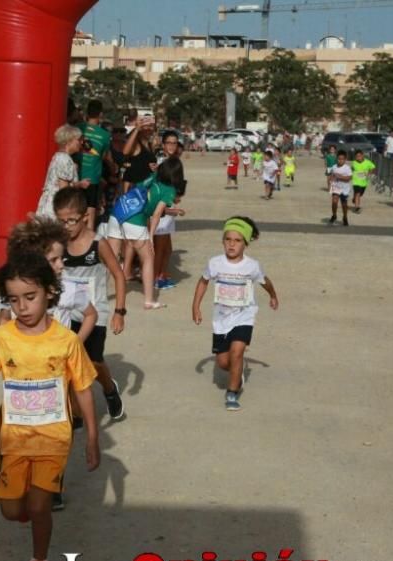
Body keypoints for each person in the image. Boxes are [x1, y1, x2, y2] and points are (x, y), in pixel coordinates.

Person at [0, 251, 100, 561]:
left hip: (54, 436)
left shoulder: (67, 341)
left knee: (41, 504)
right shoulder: (2, 337)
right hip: (13, 436)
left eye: (30, 297)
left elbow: (83, 388)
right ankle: (29, 516)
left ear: (50, 292)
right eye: (14, 300)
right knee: (12, 511)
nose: (22, 307)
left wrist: (91, 437)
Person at [56, 186, 127, 424]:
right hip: (67, 311)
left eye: (72, 220)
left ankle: (109, 388)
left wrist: (119, 311)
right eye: (61, 221)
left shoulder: (99, 244)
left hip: (95, 312)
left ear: (85, 217)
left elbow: (118, 275)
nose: (66, 226)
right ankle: (75, 412)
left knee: (93, 362)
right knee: (67, 363)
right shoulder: (58, 245)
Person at [191, 216, 278, 411]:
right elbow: (203, 281)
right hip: (221, 318)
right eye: (228, 239)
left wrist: (273, 296)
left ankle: (232, 392)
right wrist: (195, 306)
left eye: (237, 241)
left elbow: (265, 281)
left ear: (245, 244)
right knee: (223, 362)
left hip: (244, 315)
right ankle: (236, 373)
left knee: (237, 352)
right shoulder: (215, 263)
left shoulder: (252, 266)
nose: (232, 244)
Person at [105, 157, 185, 310]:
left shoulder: (153, 176)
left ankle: (99, 295)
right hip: (135, 219)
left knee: (111, 257)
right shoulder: (170, 190)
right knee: (148, 258)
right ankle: (149, 300)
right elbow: (156, 214)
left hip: (118, 210)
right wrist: (151, 237)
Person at [36, 124, 88, 218]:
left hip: (48, 204)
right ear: (69, 141)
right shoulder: (65, 159)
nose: (81, 142)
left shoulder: (58, 156)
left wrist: (78, 184)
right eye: (79, 140)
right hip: (56, 207)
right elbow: (63, 189)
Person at [153, 131, 183, 290]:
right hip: (160, 207)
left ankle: (161, 274)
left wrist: (177, 195)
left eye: (175, 143)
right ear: (163, 144)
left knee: (167, 248)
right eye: (169, 143)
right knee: (160, 248)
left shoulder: (175, 160)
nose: (172, 146)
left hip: (169, 204)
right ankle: (156, 278)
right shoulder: (158, 160)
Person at [77, 100, 112, 227]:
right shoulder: (105, 135)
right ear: (101, 114)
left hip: (77, 176)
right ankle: (89, 242)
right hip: (92, 178)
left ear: (87, 112)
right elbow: (104, 157)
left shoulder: (78, 128)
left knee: (76, 211)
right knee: (90, 211)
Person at [328, 149, 353, 226]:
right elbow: (331, 175)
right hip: (336, 187)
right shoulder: (334, 167)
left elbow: (349, 178)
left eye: (342, 159)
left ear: (345, 159)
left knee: (344, 204)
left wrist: (340, 177)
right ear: (337, 159)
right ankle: (334, 215)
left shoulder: (347, 168)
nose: (340, 161)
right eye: (339, 159)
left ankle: (345, 217)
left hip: (344, 188)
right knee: (334, 201)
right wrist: (330, 181)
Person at [349, 149, 375, 213]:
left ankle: (354, 198)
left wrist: (369, 173)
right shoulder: (354, 163)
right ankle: (357, 207)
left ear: (363, 156)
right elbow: (351, 170)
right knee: (357, 193)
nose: (358, 158)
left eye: (360, 156)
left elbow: (373, 168)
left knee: (360, 194)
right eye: (357, 156)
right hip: (356, 182)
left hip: (364, 182)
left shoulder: (368, 162)